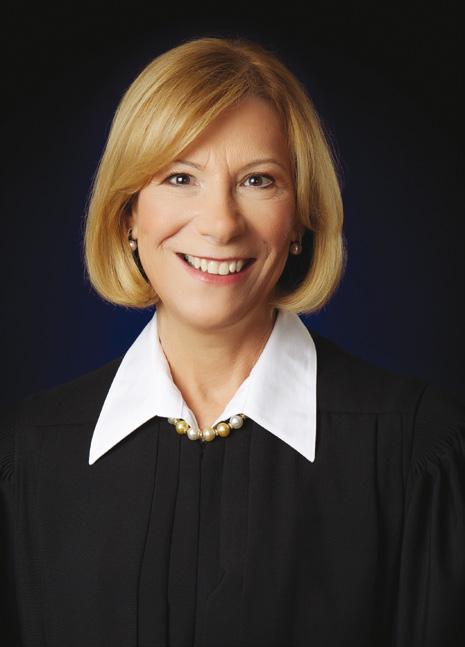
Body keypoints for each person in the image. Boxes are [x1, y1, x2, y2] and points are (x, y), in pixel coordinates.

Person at [1, 35, 464, 647]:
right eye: (180, 177)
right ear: (128, 214)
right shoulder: (28, 457)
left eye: (257, 180)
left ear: (300, 219)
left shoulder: (417, 450)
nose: (220, 223)